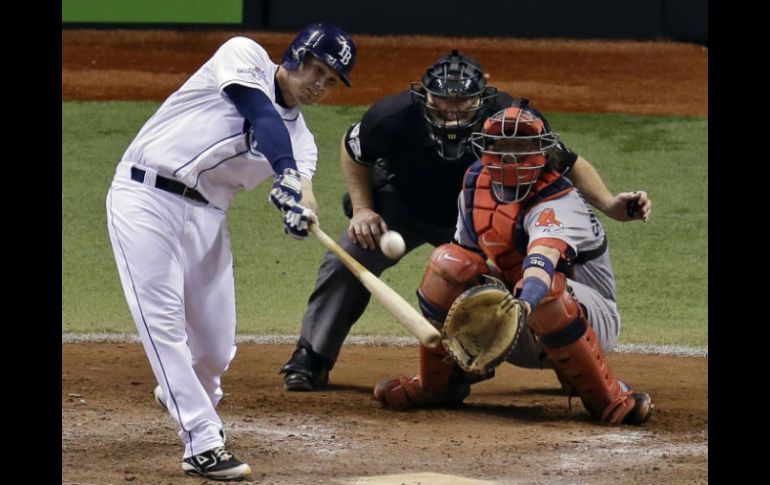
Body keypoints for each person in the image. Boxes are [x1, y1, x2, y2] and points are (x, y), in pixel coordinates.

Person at [279, 49, 651, 391]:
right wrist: (363, 209)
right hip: (403, 209)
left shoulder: (509, 119)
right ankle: (312, 357)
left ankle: (564, 364)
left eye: (462, 101)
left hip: (482, 221)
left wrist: (609, 204)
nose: (452, 110)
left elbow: (565, 162)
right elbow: (353, 149)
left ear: (481, 97)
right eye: (442, 100)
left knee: (538, 279)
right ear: (425, 94)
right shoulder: (393, 115)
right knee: (348, 257)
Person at [105, 23, 356, 481]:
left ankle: (184, 392)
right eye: (317, 69)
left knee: (217, 350)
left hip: (207, 219)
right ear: (296, 55)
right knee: (163, 325)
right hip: (145, 197)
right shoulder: (245, 56)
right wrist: (283, 172)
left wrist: (300, 211)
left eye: (332, 79)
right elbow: (259, 112)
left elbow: (305, 189)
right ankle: (202, 441)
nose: (320, 83)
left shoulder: (303, 143)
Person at [372, 104, 653, 425]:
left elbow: (540, 266)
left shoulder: (559, 200)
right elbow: (468, 260)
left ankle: (609, 398)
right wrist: (478, 307)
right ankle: (438, 385)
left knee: (546, 290)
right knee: (447, 264)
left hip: (587, 320)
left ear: (544, 153)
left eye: (521, 148)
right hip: (513, 322)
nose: (510, 158)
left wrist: (518, 308)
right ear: (486, 148)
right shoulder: (475, 184)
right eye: (502, 147)